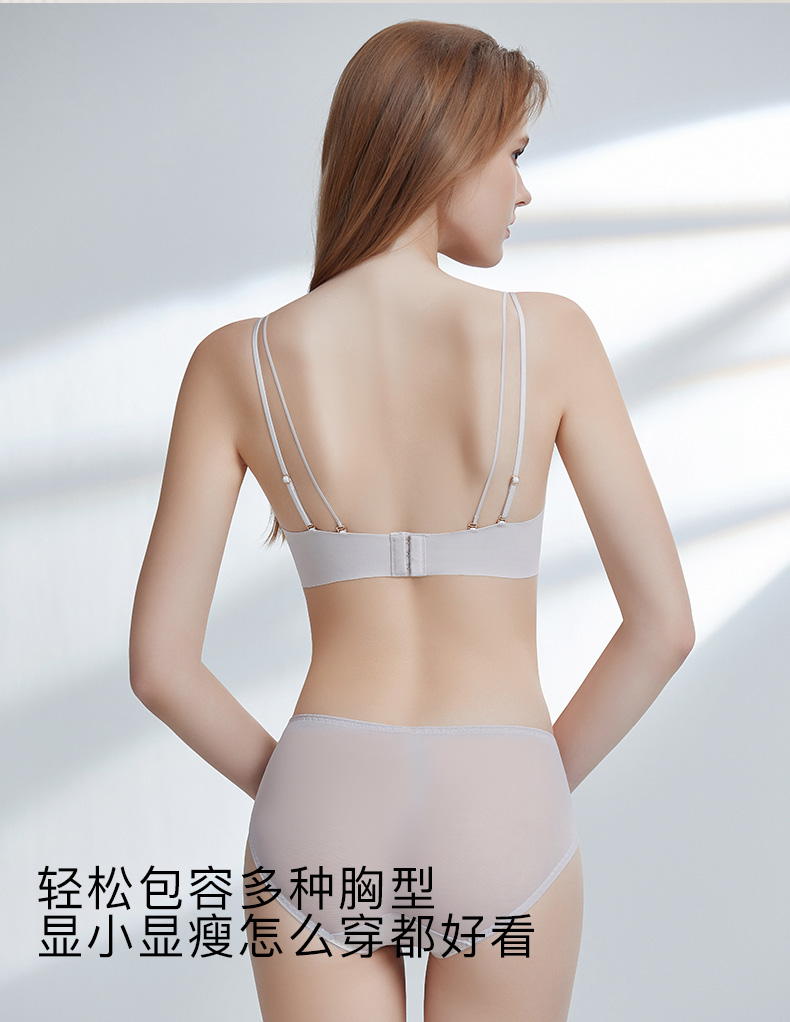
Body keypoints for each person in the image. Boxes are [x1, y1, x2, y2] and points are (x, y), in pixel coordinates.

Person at [129, 19, 695, 1022]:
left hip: (323, 795)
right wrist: (526, 780)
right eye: (512, 154)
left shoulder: (233, 362)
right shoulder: (550, 336)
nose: (522, 190)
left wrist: (302, 784)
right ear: (444, 148)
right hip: (504, 790)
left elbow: (160, 667)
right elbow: (663, 627)